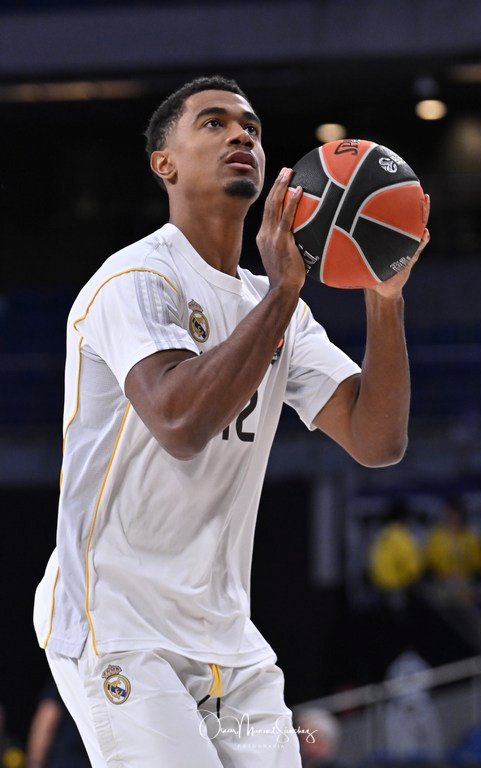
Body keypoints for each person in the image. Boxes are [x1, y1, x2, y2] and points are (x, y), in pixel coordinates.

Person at [33, 75, 429, 768]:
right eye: (213, 123)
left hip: (226, 637)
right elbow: (180, 423)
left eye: (250, 126)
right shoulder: (136, 281)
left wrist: (383, 296)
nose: (241, 134)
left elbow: (377, 440)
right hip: (119, 622)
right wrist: (282, 294)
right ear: (165, 164)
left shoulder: (278, 304)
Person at [26, 678, 90, 768]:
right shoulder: (66, 676)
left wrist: (34, 763)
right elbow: (48, 713)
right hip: (69, 758)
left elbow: (47, 715)